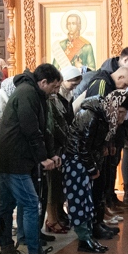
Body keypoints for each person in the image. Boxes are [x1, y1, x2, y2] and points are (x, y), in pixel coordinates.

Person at [0, 63, 64, 254]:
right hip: (15, 159)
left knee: (7, 206)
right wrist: (42, 158)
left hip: (13, 157)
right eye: (54, 86)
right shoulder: (27, 93)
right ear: (43, 82)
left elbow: (44, 128)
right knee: (31, 204)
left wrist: (49, 153)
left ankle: (7, 252)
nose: (56, 91)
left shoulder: (34, 92)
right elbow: (30, 128)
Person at [62, 90, 128, 253]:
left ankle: (88, 235)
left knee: (87, 201)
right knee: (79, 200)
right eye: (120, 111)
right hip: (76, 160)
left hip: (86, 160)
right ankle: (84, 239)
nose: (121, 117)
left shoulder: (104, 114)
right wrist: (92, 167)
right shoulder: (90, 115)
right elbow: (82, 146)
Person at [45, 66, 81, 233]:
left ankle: (58, 215)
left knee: (58, 185)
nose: (57, 89)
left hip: (61, 145)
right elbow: (54, 124)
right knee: (52, 186)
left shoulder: (62, 97)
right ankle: (52, 218)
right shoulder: (51, 99)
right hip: (53, 146)